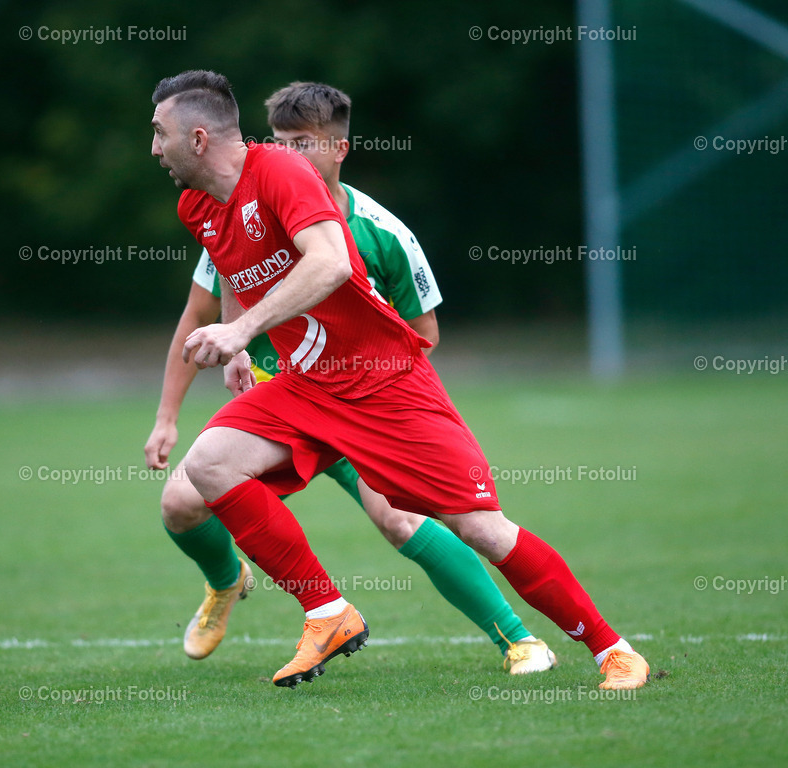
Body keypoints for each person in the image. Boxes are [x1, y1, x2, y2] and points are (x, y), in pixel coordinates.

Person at [150, 69, 649, 690]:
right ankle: (327, 612)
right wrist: (233, 342)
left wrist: (243, 329)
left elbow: (330, 262)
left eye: (159, 133)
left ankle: (613, 651)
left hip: (384, 385)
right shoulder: (197, 203)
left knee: (479, 528)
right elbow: (232, 268)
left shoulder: (280, 173)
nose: (153, 148)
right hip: (306, 388)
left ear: (198, 138)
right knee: (206, 468)